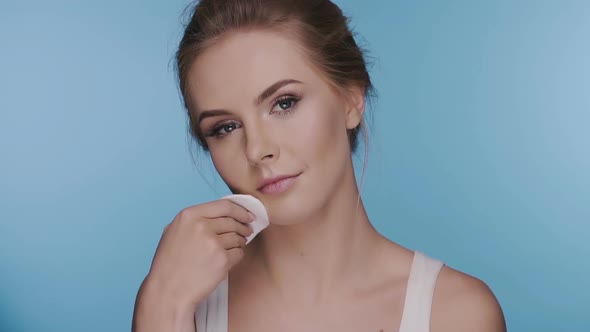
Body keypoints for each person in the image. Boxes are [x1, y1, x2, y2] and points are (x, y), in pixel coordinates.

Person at [132, 0, 506, 331]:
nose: (258, 149)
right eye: (225, 127)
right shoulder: (181, 302)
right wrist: (163, 306)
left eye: (284, 103)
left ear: (351, 99)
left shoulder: (455, 314)